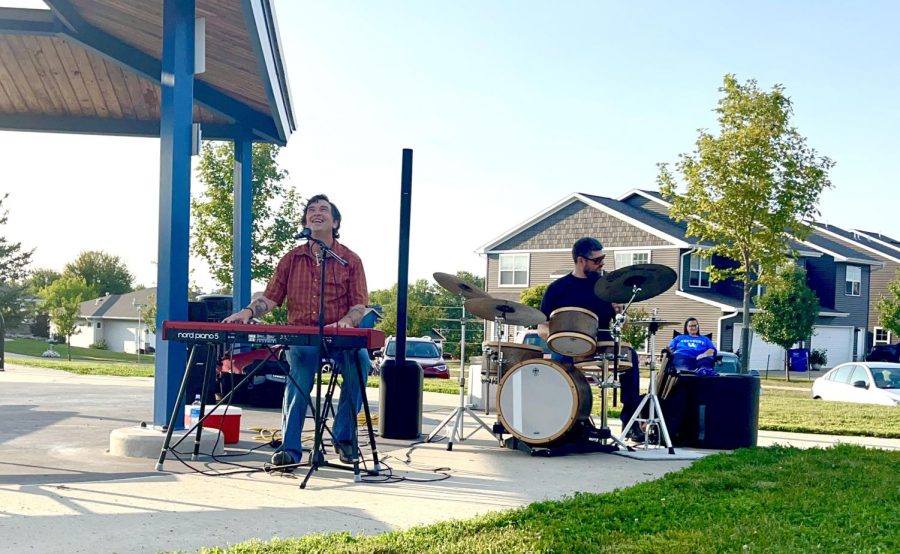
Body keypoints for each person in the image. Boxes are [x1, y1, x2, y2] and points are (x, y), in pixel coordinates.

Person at [223, 194, 370, 469]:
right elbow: (270, 299)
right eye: (311, 210)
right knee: (300, 364)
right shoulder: (291, 259)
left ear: (335, 221)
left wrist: (348, 321)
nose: (316, 213)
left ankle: (345, 437)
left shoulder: (350, 259)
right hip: (302, 336)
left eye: (323, 210)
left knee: (361, 362)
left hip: (338, 336)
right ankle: (290, 450)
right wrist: (247, 312)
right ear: (305, 221)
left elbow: (359, 305)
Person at [536, 237, 643, 441]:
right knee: (561, 365)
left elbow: (623, 324)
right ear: (581, 260)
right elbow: (542, 326)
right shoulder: (558, 288)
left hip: (601, 342)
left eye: (603, 258)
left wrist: (621, 313)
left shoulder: (607, 287)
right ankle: (574, 422)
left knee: (632, 357)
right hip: (568, 345)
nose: (602, 263)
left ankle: (630, 421)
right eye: (597, 260)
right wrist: (556, 339)